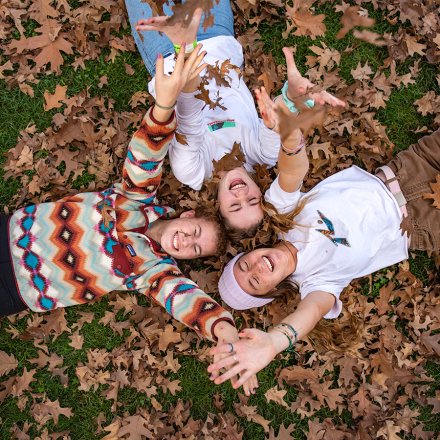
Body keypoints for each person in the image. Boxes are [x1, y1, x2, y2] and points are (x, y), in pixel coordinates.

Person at [2, 47, 259, 394]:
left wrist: (224, 331)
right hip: (9, 232)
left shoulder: (151, 270)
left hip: (17, 289)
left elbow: (187, 302)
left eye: (194, 250)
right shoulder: (134, 199)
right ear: (186, 215)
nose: (186, 242)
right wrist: (164, 106)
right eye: (194, 232)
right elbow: (146, 155)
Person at [207, 87, 440, 388]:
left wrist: (289, 136)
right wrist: (275, 342)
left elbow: (293, 171)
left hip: (408, 170)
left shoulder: (281, 213)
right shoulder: (315, 284)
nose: (257, 268)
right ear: (271, 290)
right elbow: (310, 312)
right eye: (254, 281)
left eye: (244, 266)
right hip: (421, 225)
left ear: (248, 253)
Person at [125, 0, 345, 232]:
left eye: (234, 206)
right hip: (217, 34)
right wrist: (291, 96)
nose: (241, 194)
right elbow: (276, 116)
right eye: (251, 200)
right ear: (260, 192)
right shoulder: (263, 155)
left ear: (218, 207)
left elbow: (187, 115)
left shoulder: (193, 172)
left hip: (168, 48)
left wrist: (185, 48)